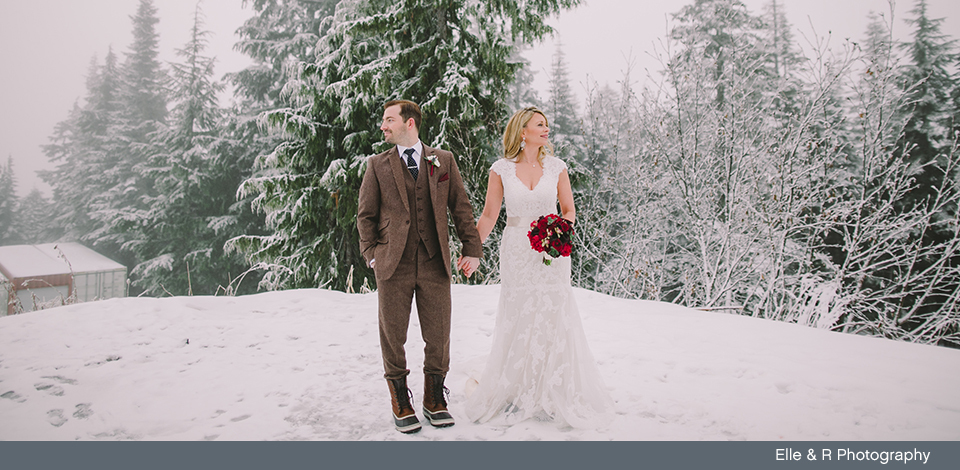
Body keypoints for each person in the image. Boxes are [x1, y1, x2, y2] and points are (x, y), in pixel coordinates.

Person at [464, 107, 614, 428]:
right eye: (540, 125)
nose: (547, 129)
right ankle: (517, 384)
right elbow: (490, 215)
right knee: (519, 310)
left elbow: (569, 209)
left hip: (551, 249)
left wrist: (557, 231)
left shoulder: (557, 168)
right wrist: (472, 247)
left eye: (547, 124)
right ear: (523, 131)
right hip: (517, 249)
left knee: (552, 310)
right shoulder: (501, 170)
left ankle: (552, 386)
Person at [357, 100, 482, 434]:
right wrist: (371, 254)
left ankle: (434, 398)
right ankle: (400, 399)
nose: (383, 126)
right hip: (392, 264)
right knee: (392, 335)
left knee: (439, 335)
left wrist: (473, 248)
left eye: (389, 120)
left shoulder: (443, 160)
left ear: (409, 123)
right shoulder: (376, 165)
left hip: (434, 262)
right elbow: (365, 215)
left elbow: (461, 208)